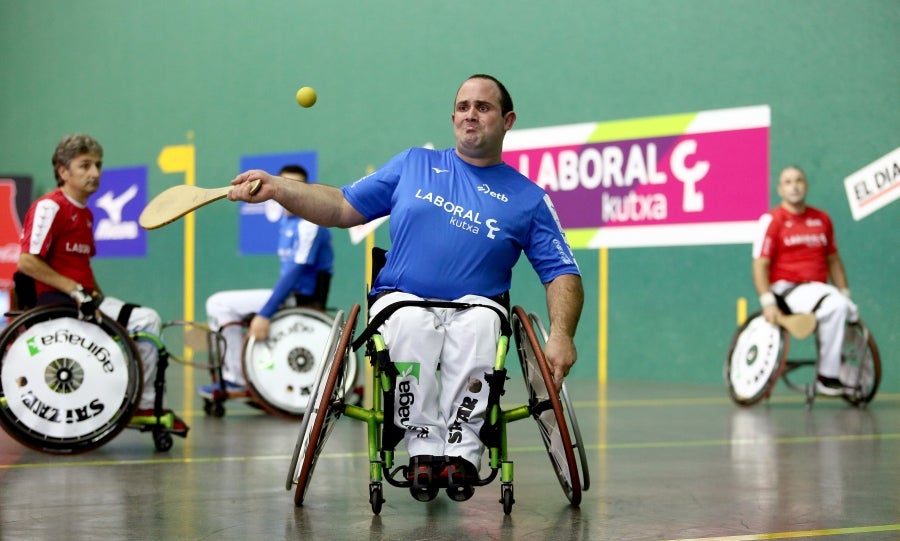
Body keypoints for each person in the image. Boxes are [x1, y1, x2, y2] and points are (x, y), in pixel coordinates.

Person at [226, 74, 584, 502]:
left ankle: (462, 451)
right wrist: (278, 188)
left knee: (481, 327)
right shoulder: (414, 165)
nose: (471, 114)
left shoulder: (529, 199)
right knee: (412, 322)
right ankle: (423, 447)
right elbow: (341, 206)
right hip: (402, 300)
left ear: (507, 120)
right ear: (453, 118)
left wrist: (562, 335)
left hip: (479, 306)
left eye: (483, 107)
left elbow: (562, 272)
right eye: (463, 106)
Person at [17, 133, 187, 431]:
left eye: (98, 165)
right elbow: (27, 262)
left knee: (140, 321)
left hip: (84, 300)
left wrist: (95, 296)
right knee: (147, 320)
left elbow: (81, 268)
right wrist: (74, 289)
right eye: (85, 165)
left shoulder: (85, 214)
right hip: (59, 304)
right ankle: (144, 405)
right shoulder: (50, 207)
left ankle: (130, 397)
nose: (95, 173)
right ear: (63, 171)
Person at [199, 164, 334, 398]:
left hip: (301, 299)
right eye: (285, 185)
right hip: (288, 295)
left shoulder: (309, 224)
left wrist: (264, 314)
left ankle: (236, 379)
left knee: (219, 304)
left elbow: (295, 273)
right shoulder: (288, 221)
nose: (290, 191)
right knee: (223, 305)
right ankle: (243, 373)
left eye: (296, 186)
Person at [752, 165, 859, 396]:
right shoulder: (772, 221)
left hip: (819, 291)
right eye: (788, 182)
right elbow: (760, 265)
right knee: (837, 306)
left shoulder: (822, 219)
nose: (794, 186)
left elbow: (833, 260)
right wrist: (768, 303)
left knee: (847, 309)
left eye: (799, 180)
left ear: (806, 186)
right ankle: (826, 377)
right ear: (780, 189)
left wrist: (845, 293)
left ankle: (851, 372)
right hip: (787, 291)